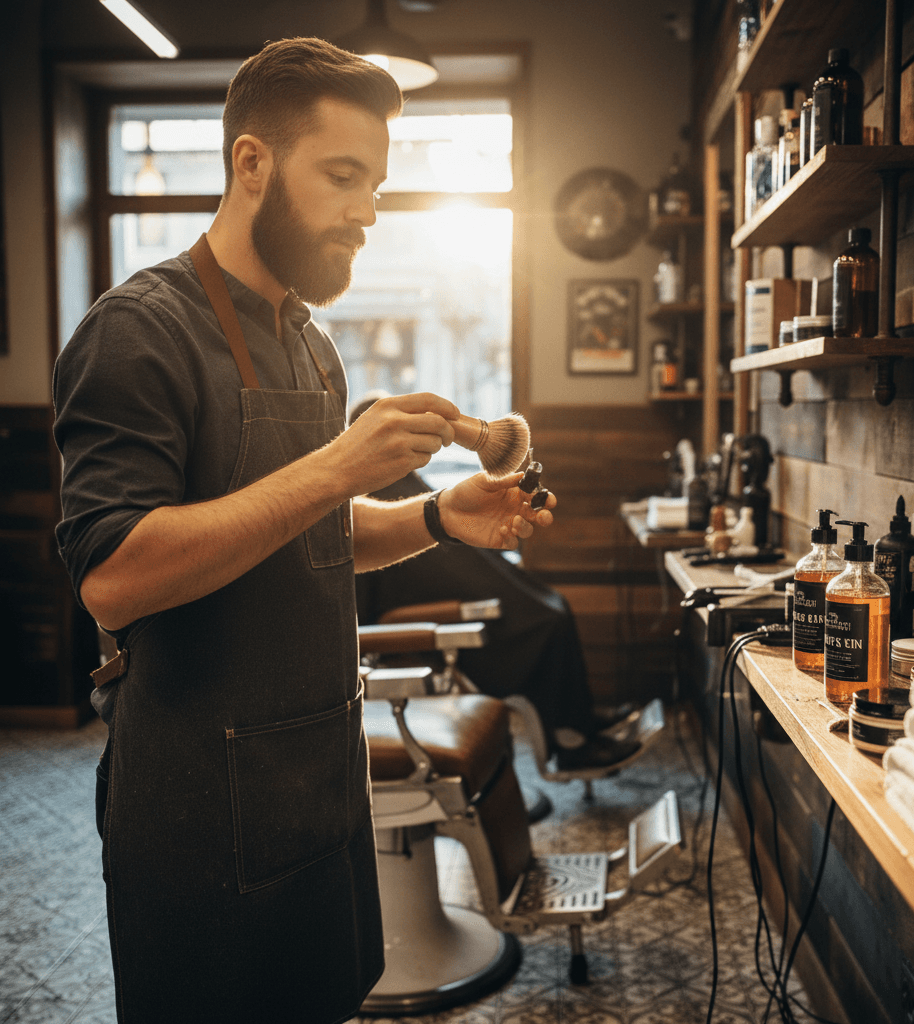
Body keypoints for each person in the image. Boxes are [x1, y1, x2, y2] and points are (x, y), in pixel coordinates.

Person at [51, 38, 554, 1024]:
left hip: (321, 780)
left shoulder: (313, 345)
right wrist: (336, 465)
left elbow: (310, 530)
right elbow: (114, 575)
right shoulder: (137, 332)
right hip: (199, 808)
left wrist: (435, 515)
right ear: (252, 162)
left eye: (376, 184)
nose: (368, 210)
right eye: (342, 176)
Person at [351, 394, 639, 769]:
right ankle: (572, 738)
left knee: (555, 605)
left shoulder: (402, 486)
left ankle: (580, 718)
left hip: (468, 587)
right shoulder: (366, 508)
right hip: (442, 609)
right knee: (546, 620)